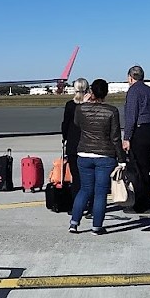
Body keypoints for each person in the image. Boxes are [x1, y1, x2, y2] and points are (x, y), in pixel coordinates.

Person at [69, 79, 127, 235]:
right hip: (105, 154)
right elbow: (115, 138)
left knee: (84, 189)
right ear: (106, 93)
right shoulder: (111, 111)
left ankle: (74, 223)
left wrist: (84, 105)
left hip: (84, 153)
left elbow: (77, 124)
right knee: (100, 192)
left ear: (91, 92)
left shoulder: (81, 109)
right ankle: (96, 226)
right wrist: (121, 159)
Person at [122, 65, 150, 214]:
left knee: (137, 170)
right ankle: (144, 202)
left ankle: (140, 204)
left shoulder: (133, 91)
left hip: (140, 131)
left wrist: (127, 137)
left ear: (130, 77)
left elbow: (131, 116)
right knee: (145, 169)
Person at [61, 78, 90, 215]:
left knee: (76, 177)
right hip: (87, 144)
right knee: (89, 177)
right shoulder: (90, 105)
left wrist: (65, 138)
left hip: (73, 145)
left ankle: (76, 206)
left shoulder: (70, 105)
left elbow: (65, 125)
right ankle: (90, 206)